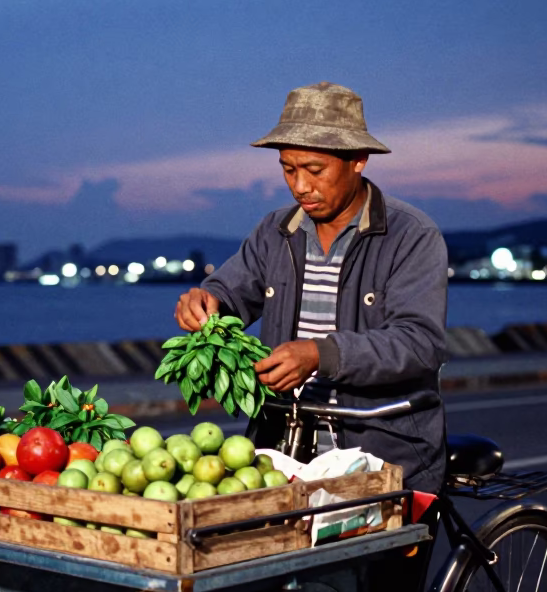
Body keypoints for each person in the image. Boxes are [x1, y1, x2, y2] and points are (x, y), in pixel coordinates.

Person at [174, 81, 448, 493]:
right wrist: (205, 300)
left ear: (358, 161)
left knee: (378, 560)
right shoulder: (276, 231)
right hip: (286, 454)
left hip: (381, 455)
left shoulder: (412, 235)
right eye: (288, 169)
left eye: (315, 170)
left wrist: (321, 355)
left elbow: (419, 344)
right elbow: (230, 291)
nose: (300, 186)